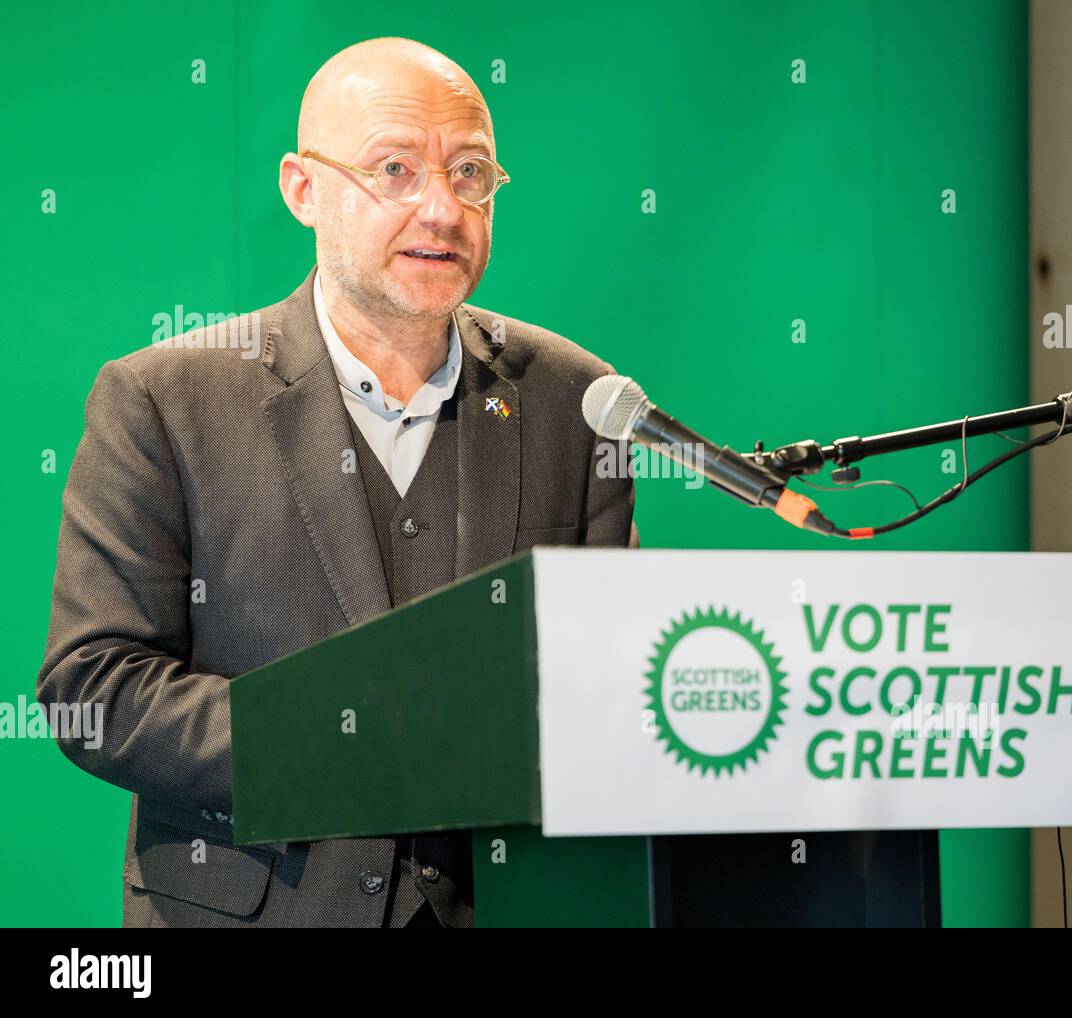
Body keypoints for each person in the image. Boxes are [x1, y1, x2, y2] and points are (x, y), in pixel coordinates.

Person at [36, 36, 637, 928]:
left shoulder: (578, 400)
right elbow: (95, 690)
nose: (441, 209)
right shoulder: (163, 399)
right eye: (394, 168)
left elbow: (610, 678)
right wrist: (356, 738)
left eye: (471, 172)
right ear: (302, 188)